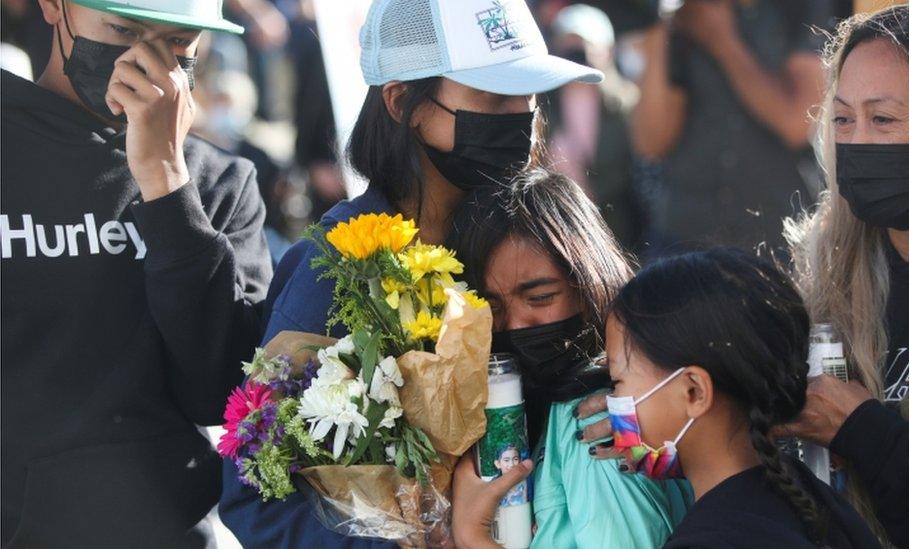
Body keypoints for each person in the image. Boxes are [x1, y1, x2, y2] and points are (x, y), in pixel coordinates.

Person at [217, 1, 603, 546]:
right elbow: (255, 496)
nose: (519, 122)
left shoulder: (526, 243)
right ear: (403, 103)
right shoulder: (337, 266)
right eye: (493, 99)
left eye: (529, 99)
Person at [0, 0, 271, 546]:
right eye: (122, 28)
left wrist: (166, 181)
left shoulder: (219, 182)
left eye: (176, 42)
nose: (142, 61)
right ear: (55, 7)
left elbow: (218, 391)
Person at [455, 248, 882, 549]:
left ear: (694, 392)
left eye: (619, 383)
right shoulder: (810, 496)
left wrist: (477, 540)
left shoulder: (712, 539)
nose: (612, 404)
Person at [782, 3, 909, 547]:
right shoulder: (823, 274)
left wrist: (867, 430)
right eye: (843, 119)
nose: (857, 142)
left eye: (884, 119)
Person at [448, 169, 691, 549]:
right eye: (490, 306)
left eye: (540, 298)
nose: (514, 325)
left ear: (589, 283)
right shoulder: (530, 416)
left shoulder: (594, 422)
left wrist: (472, 537)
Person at [631, 0, 831, 254]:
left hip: (778, 243)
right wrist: (658, 29)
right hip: (683, 242)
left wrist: (722, 40)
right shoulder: (684, 15)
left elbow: (796, 125)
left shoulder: (803, 9)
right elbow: (650, 143)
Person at [543, 4, 644, 253]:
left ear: (607, 51)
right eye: (567, 45)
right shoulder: (538, 106)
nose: (575, 53)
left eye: (584, 45)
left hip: (621, 239)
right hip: (558, 238)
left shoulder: (629, 106)